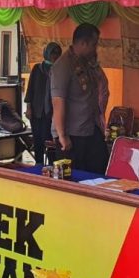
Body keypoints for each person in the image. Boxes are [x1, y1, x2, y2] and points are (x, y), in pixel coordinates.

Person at [51, 23, 110, 175]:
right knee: (76, 177)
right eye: (94, 45)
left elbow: (101, 85)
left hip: (90, 128)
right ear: (83, 43)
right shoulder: (63, 65)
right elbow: (58, 101)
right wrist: (62, 136)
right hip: (72, 134)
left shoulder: (86, 63)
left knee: (100, 170)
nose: (96, 49)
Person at [25, 42, 61, 164]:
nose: (55, 55)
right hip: (36, 111)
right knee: (38, 140)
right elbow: (30, 89)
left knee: (50, 140)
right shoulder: (37, 69)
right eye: (53, 52)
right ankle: (39, 165)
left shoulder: (59, 70)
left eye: (58, 53)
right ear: (47, 53)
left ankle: (52, 166)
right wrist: (28, 108)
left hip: (51, 112)